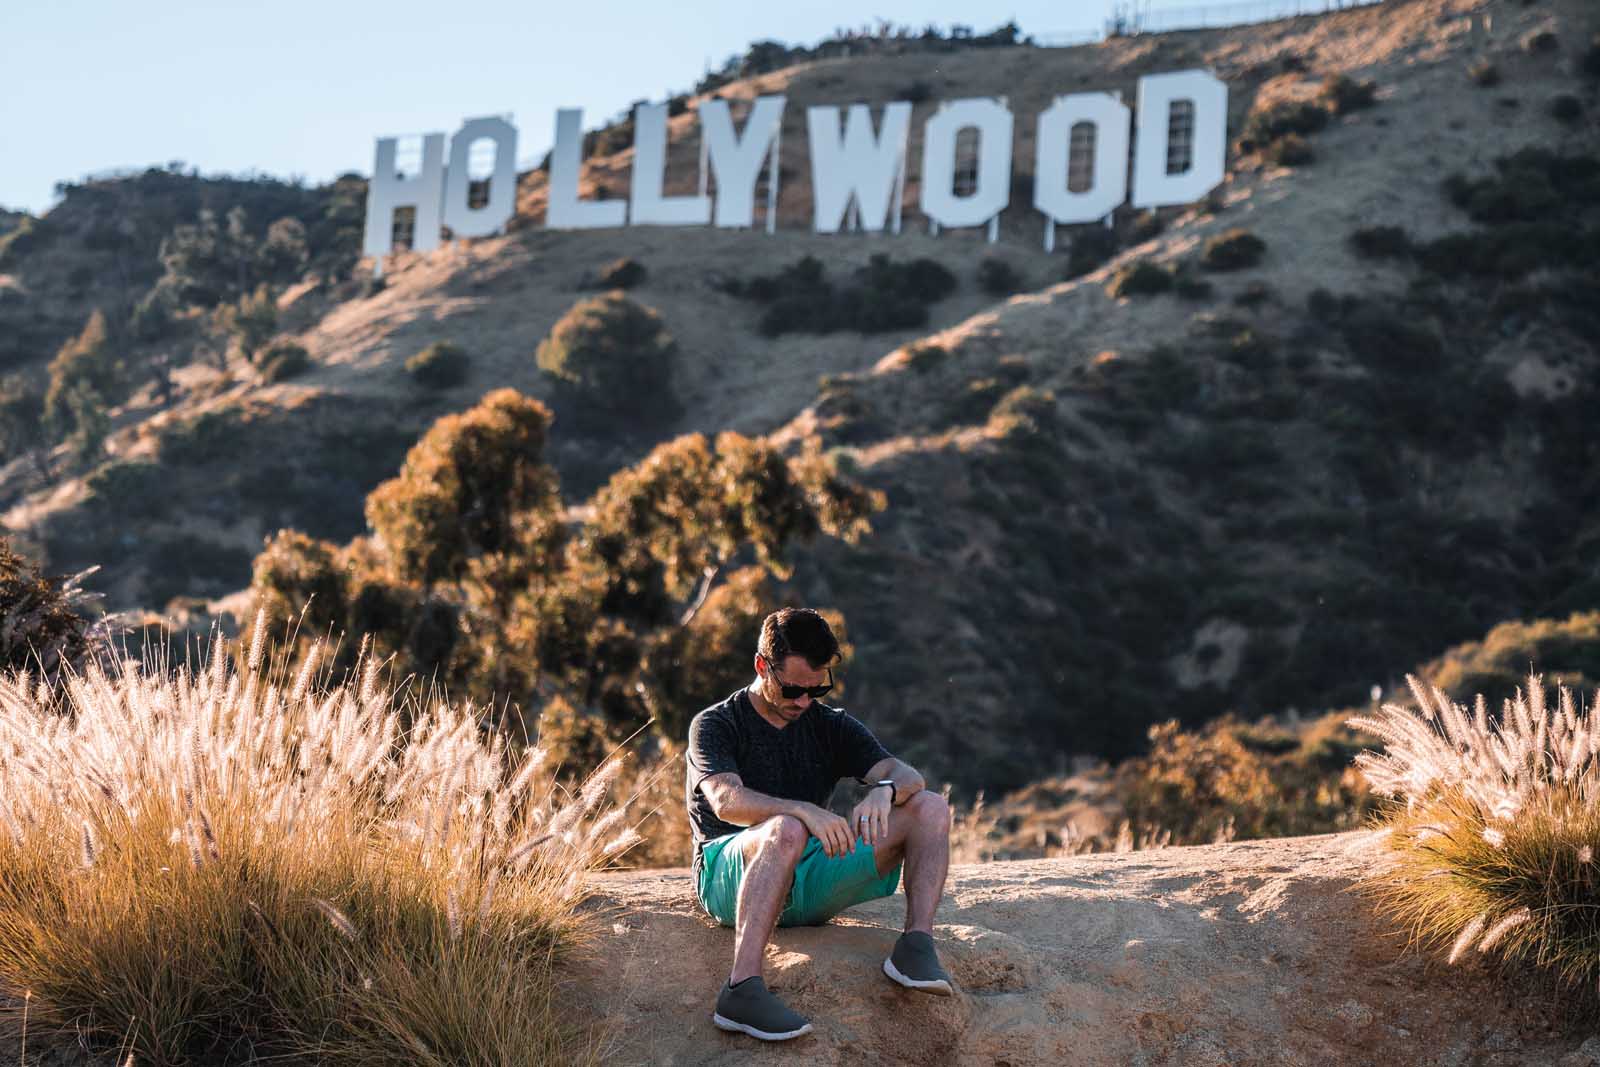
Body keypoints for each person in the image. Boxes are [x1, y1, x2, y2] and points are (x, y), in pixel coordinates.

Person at [685, 607, 954, 1042]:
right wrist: (803, 811)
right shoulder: (716, 724)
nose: (804, 701)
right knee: (786, 828)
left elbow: (907, 776)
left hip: (807, 872)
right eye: (792, 688)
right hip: (727, 873)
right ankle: (741, 988)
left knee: (931, 807)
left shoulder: (829, 724)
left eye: (817, 689)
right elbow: (725, 802)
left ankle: (916, 947)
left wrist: (884, 789)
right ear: (761, 666)